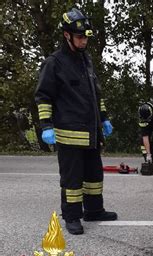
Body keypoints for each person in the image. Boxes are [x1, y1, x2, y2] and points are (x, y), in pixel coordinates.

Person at [34, 7, 117, 235]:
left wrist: (105, 118)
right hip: (69, 133)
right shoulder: (55, 63)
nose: (84, 41)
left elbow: (95, 94)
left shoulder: (86, 60)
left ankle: (94, 210)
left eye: (86, 37)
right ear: (67, 35)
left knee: (93, 176)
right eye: (79, 37)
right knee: (72, 179)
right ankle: (72, 216)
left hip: (91, 132)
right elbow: (43, 96)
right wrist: (47, 126)